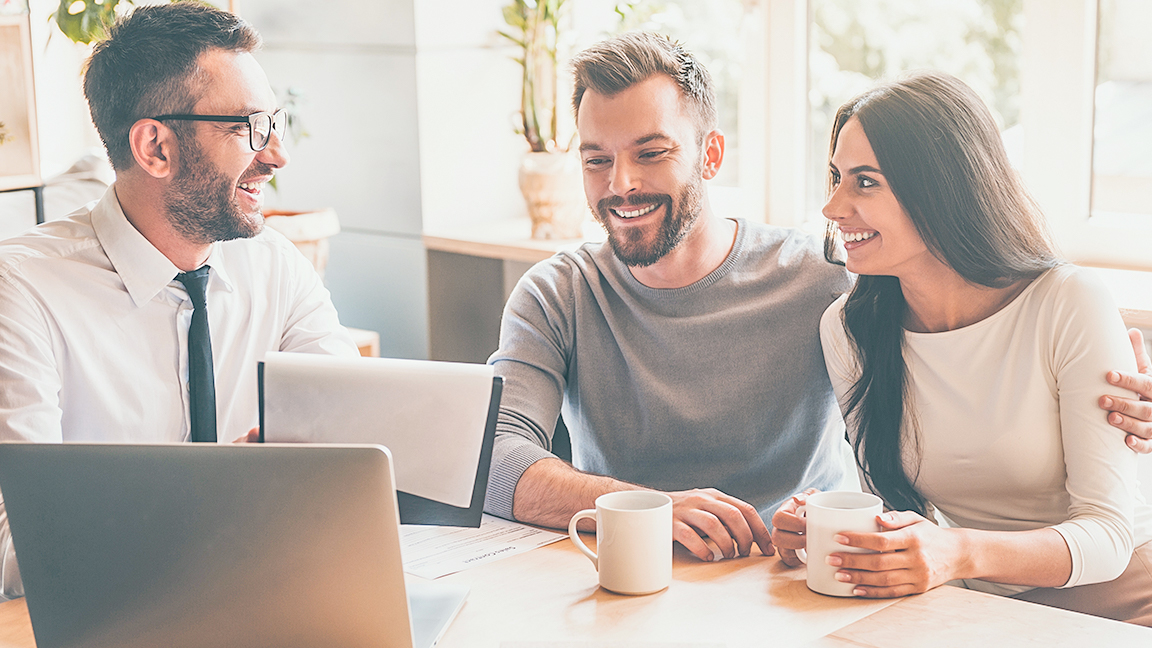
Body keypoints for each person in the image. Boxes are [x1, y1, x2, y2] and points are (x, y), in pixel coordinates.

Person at [0, 3, 358, 600]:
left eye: (275, 122)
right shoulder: (22, 292)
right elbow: (16, 552)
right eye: (248, 127)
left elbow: (355, 438)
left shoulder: (274, 264)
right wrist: (216, 505)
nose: (276, 155)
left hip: (273, 594)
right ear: (155, 147)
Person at [770, 71, 1152, 626]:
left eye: (865, 182)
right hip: (972, 604)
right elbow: (902, 512)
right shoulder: (850, 330)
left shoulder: (1067, 302)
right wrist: (827, 525)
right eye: (835, 177)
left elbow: (1109, 534)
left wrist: (959, 552)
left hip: (1119, 596)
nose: (832, 207)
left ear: (943, 190)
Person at [485, 31, 859, 562]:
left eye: (651, 153)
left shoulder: (820, 280)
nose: (622, 184)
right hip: (624, 585)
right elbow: (495, 458)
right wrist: (649, 509)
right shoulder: (557, 294)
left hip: (787, 585)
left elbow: (898, 461)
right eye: (597, 161)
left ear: (710, 154)